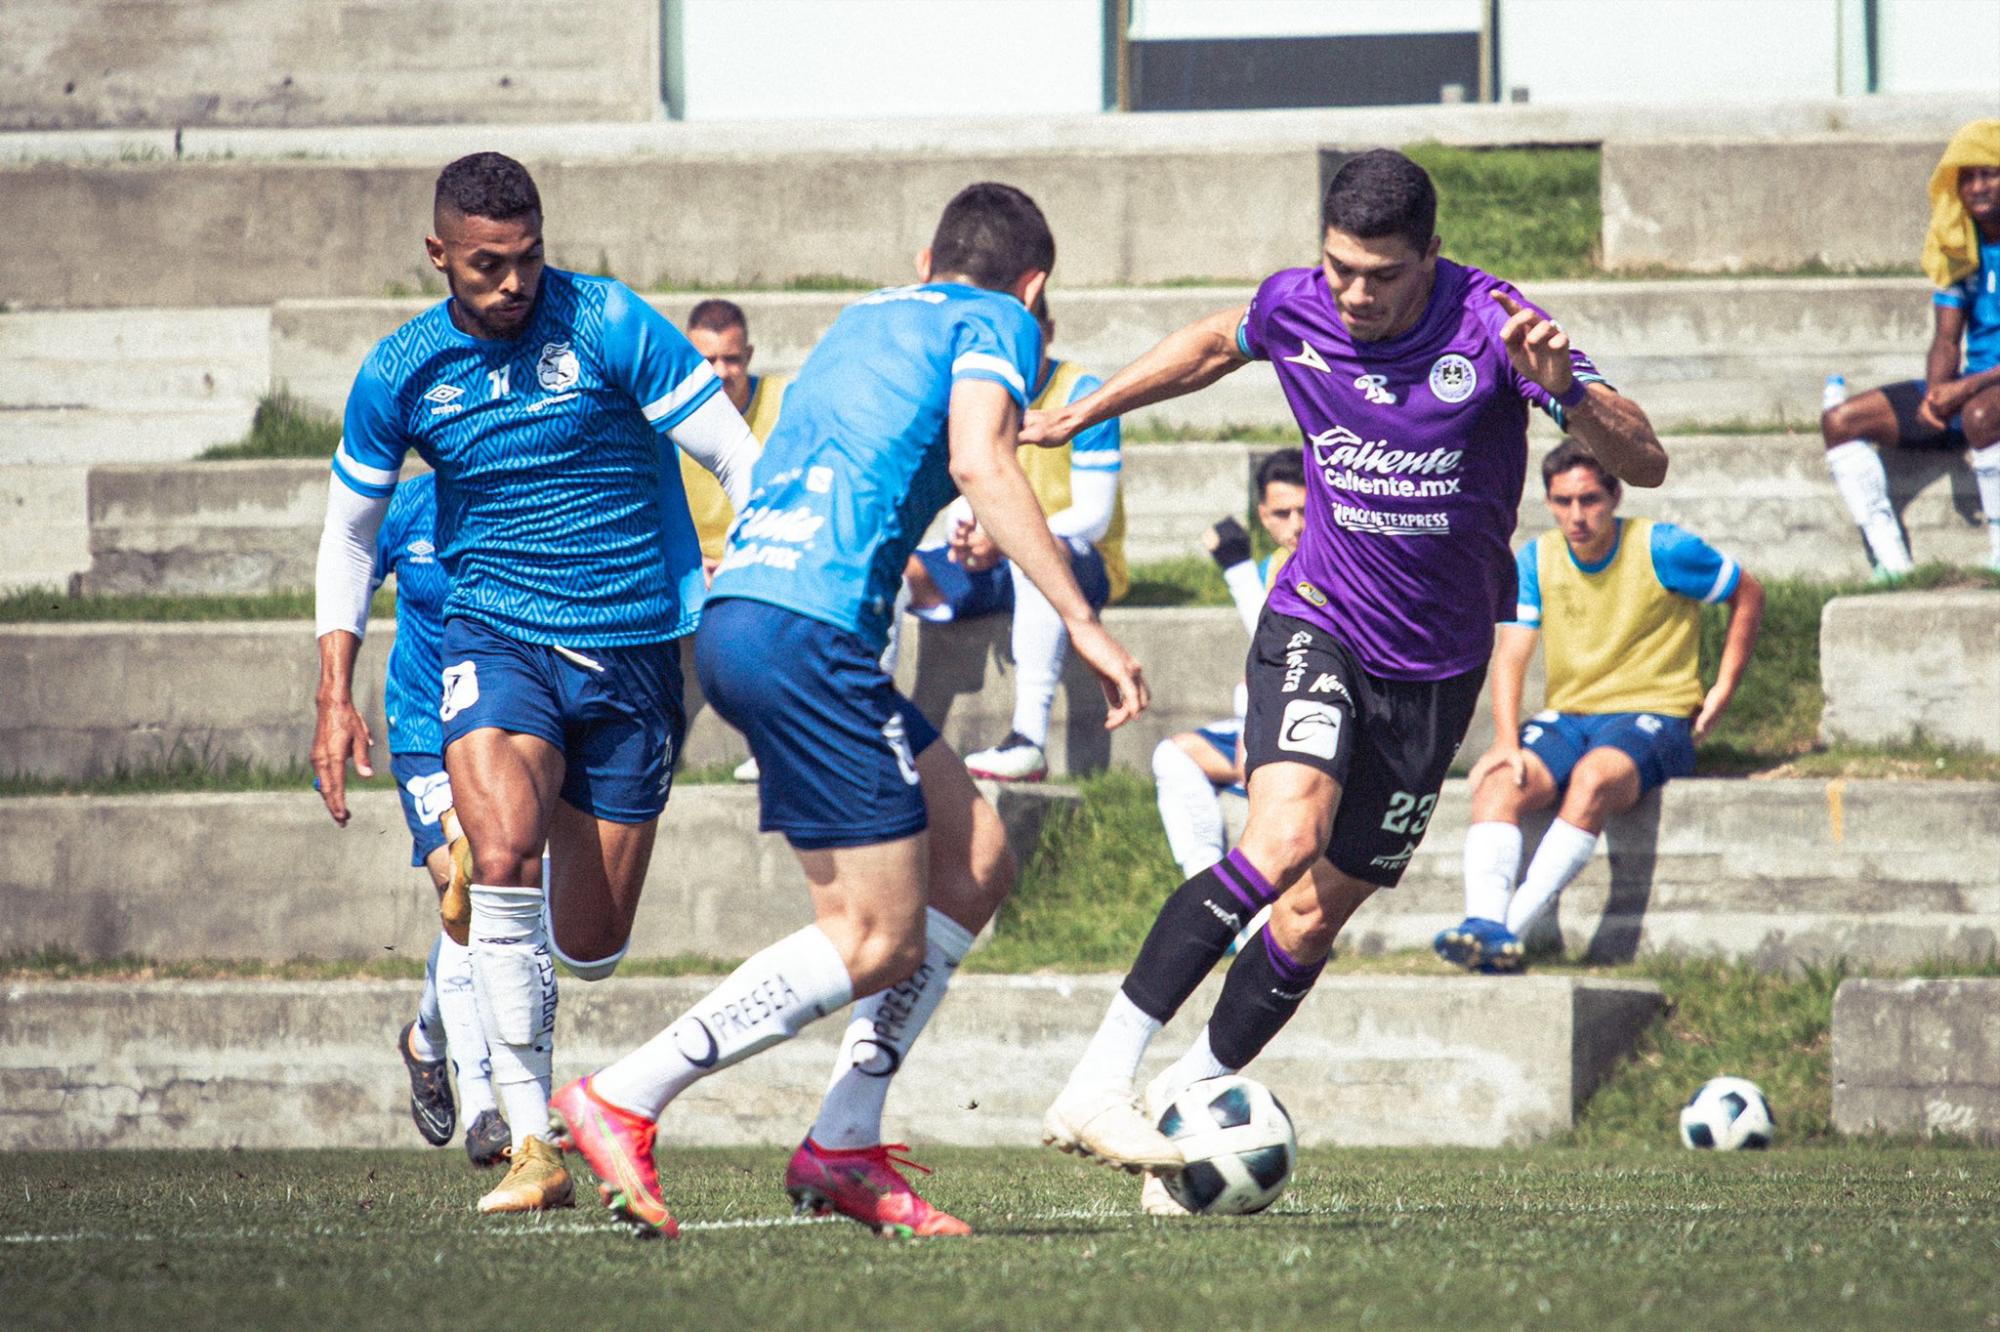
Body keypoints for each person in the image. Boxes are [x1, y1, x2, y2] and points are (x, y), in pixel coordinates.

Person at [1023, 148, 1668, 1214]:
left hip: (1438, 668)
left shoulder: (1497, 325)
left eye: (1380, 274)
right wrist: (1078, 415)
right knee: (1277, 843)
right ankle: (1097, 1081)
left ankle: (1191, 1095)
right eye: (1337, 271)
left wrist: (1563, 394)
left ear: (1429, 258)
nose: (1355, 294)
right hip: (1317, 619)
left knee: (1317, 916)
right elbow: (1203, 346)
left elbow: (1642, 461)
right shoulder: (1298, 306)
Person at [548, 182, 1148, 1240]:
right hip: (809, 634)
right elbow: (978, 454)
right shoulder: (997, 318)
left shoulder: (868, 312)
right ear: (1036, 286)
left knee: (975, 857)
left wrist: (945, 521)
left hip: (749, 613)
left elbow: (860, 460)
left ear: (925, 254)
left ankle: (844, 1139)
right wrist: (1081, 620)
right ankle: (624, 1094)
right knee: (874, 938)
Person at [311, 152, 760, 1216]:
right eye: (486, 266)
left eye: (527, 260)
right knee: (502, 858)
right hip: (493, 634)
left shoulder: (608, 323)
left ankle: (490, 934)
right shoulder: (400, 372)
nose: (512, 284)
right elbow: (348, 535)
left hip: (638, 644)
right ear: (438, 257)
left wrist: (763, 587)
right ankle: (528, 1141)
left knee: (590, 945)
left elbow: (738, 459)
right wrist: (335, 691)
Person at [1436, 442, 1764, 972]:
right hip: (1570, 717)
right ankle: (1480, 924)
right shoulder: (1537, 557)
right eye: (1562, 501)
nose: (1576, 515)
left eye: (1589, 499)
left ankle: (1506, 932)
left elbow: (1747, 592)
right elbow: (1513, 652)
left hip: (1653, 714)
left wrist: (1724, 688)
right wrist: (1504, 741)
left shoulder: (1664, 546)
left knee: (1591, 780)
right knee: (1499, 783)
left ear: (1615, 495)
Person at [898, 292, 1128, 782]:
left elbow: (1094, 516)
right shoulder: (974, 389)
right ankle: (866, 734)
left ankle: (1029, 740)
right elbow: (962, 486)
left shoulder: (1082, 392)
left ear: (1047, 332)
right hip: (996, 552)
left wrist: (1003, 540)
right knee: (895, 570)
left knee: (1036, 558)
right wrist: (962, 532)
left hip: (1081, 559)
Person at [374, 471, 511, 1168]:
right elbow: (343, 581)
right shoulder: (406, 507)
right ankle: (483, 1106)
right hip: (426, 730)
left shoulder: (518, 494)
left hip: (499, 728)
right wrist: (332, 701)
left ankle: (426, 1041)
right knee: (470, 885)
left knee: (500, 905)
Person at [1822, 119, 2000, 576]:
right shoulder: (1960, 242)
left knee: (1981, 415)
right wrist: (1938, 394)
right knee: (1840, 421)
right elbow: (1946, 337)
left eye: (1989, 173)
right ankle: (1893, 565)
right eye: (1967, 177)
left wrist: (1963, 392)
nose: (1978, 187)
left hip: (1987, 396)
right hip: (1972, 389)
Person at [1151, 450, 1307, 881]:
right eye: (1282, 513)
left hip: (1321, 726)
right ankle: (1204, 884)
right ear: (1263, 516)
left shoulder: (1335, 564)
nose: (1295, 524)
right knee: (1173, 756)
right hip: (1271, 721)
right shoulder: (1270, 568)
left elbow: (1292, 649)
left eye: (1305, 510)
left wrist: (1235, 570)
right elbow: (1270, 648)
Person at [681, 298, 789, 572]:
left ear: (749, 356)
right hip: (692, 568)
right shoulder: (668, 414)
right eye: (707, 361)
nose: (720, 372)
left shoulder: (785, 403)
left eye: (731, 359)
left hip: (764, 562)